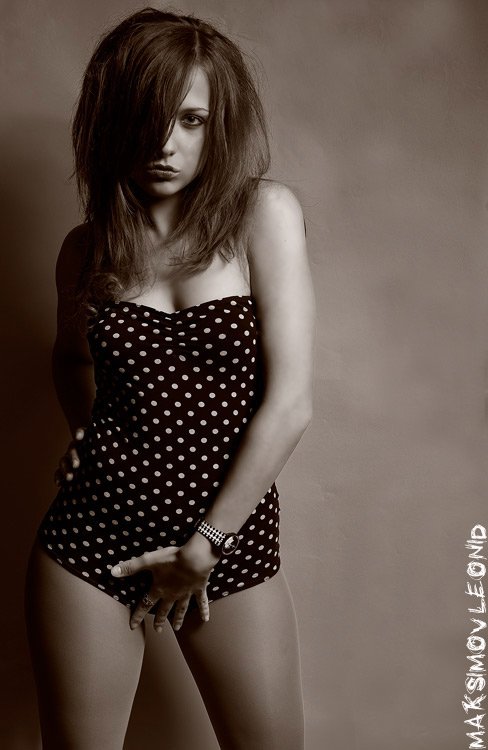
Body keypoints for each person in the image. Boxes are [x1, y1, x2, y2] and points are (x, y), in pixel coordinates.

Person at [24, 7, 315, 750]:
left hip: (226, 550)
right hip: (89, 544)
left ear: (219, 127)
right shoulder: (84, 251)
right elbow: (70, 357)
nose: (165, 144)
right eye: (148, 119)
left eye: (191, 120)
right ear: (112, 122)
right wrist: (84, 428)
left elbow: (289, 405)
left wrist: (206, 546)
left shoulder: (262, 216)